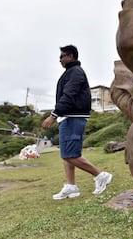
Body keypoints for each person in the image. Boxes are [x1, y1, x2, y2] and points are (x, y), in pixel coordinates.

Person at [42, 45, 112, 200]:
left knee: (69, 154)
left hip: (73, 117)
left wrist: (53, 115)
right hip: (69, 117)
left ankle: (101, 176)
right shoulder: (70, 73)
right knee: (68, 154)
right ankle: (71, 186)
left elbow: (68, 95)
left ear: (71, 56)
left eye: (62, 56)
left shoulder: (75, 73)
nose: (59, 60)